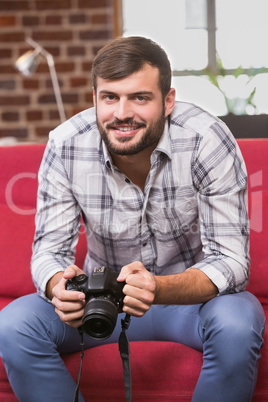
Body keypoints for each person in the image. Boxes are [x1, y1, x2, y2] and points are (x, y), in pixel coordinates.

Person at [0, 36, 265, 402]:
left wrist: (157, 287)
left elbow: (232, 263)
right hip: (100, 304)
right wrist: (55, 285)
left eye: (140, 97)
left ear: (168, 101)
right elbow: (48, 253)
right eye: (110, 97)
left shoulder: (207, 139)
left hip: (190, 301)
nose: (122, 113)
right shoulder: (66, 145)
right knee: (13, 325)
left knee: (239, 321)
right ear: (95, 99)